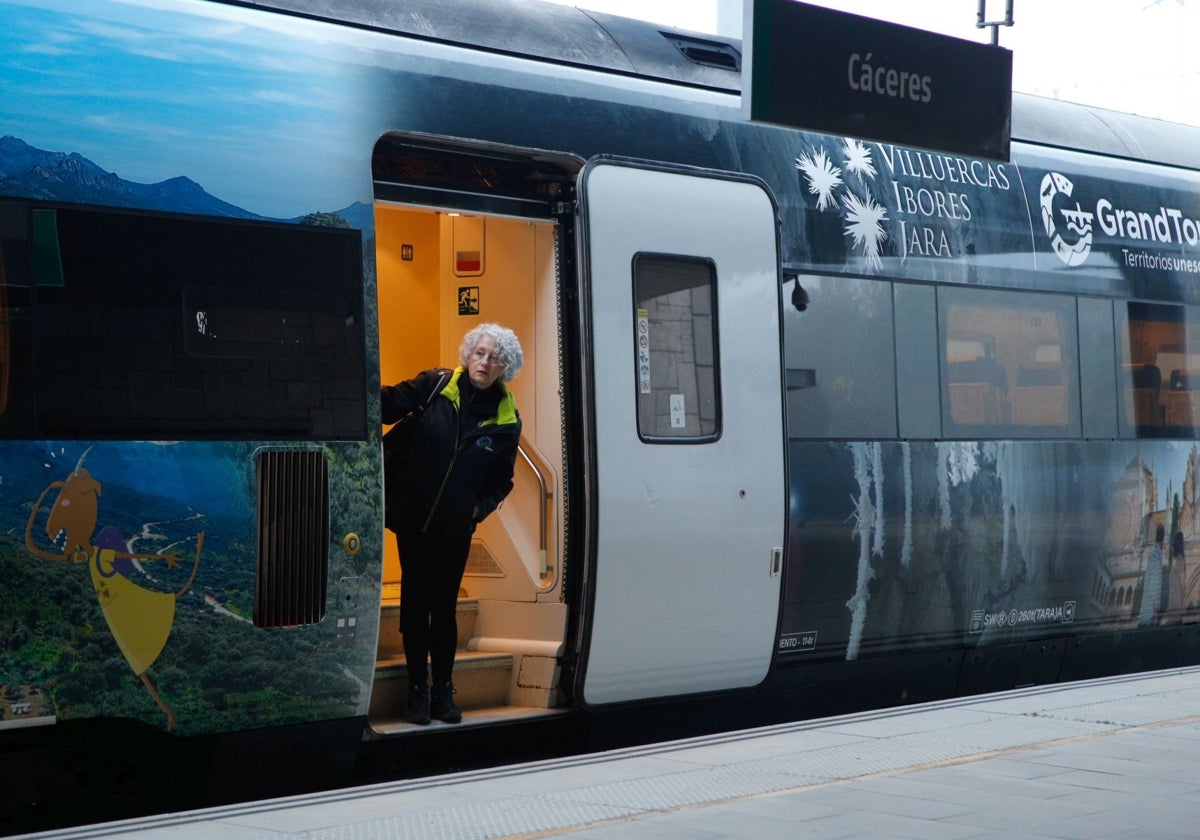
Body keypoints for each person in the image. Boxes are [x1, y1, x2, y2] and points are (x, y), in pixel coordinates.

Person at [381, 323, 523, 724]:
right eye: (479, 352)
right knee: (415, 606)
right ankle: (416, 691)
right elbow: (388, 403)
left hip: (455, 529)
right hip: (413, 522)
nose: (484, 361)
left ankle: (443, 690)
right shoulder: (434, 385)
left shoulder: (506, 419)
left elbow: (503, 480)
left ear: (504, 368)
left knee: (443, 611)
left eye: (495, 357)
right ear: (468, 355)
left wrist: (476, 509)